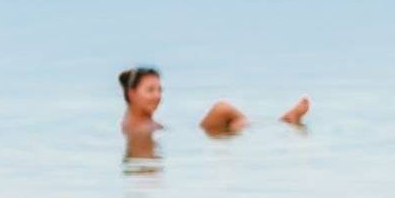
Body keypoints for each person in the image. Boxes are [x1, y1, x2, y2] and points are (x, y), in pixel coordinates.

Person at [118, 66, 310, 154]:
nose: (158, 95)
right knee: (222, 110)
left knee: (227, 114)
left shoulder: (137, 123)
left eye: (159, 89)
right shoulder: (137, 127)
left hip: (190, 135)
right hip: (192, 138)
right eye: (150, 90)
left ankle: (279, 122)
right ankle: (281, 123)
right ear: (132, 93)